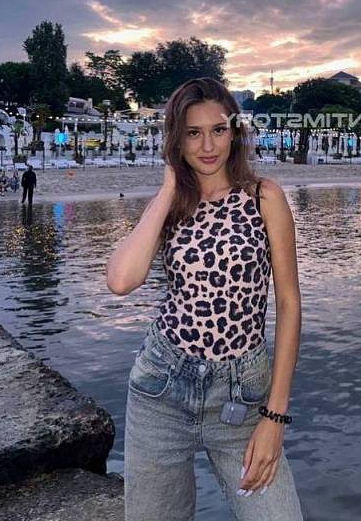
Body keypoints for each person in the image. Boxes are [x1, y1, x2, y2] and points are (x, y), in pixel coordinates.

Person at [107, 77, 304, 521]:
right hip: (162, 389)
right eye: (193, 133)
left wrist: (275, 417)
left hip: (242, 394)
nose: (208, 145)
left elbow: (289, 304)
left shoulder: (264, 196)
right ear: (177, 140)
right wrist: (167, 189)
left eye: (218, 130)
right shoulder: (171, 204)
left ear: (234, 131)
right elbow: (120, 280)